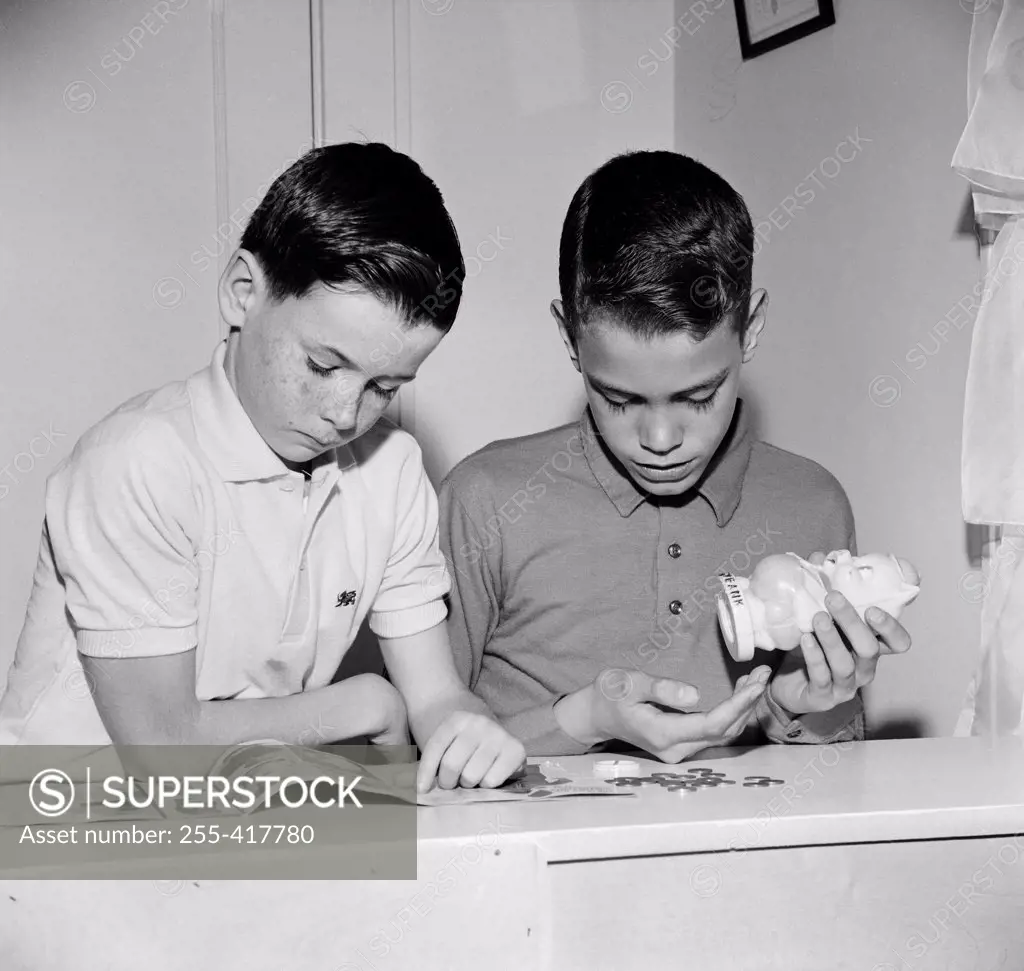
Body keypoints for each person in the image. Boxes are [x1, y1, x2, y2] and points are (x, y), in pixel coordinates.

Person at [0, 142, 524, 793]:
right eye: (323, 364)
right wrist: (365, 703)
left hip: (249, 807)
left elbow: (438, 698)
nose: (343, 412)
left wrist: (467, 728)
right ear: (242, 292)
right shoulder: (138, 461)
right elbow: (160, 749)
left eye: (385, 385)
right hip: (62, 826)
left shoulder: (391, 468)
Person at [438, 150, 917, 761]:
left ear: (754, 327)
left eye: (698, 396)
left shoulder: (813, 503)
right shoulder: (485, 499)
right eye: (618, 398)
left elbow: (835, 779)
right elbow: (412, 749)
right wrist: (577, 721)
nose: (660, 440)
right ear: (568, 338)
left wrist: (797, 708)